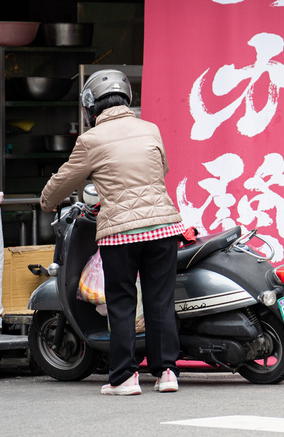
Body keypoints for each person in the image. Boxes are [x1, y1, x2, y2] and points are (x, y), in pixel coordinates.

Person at [40, 70, 184, 396]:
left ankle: (124, 378)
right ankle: (167, 373)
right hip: (164, 226)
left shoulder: (91, 140)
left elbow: (64, 180)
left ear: (91, 108)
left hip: (121, 232)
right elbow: (162, 170)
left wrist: (48, 201)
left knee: (121, 302)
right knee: (160, 300)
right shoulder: (150, 129)